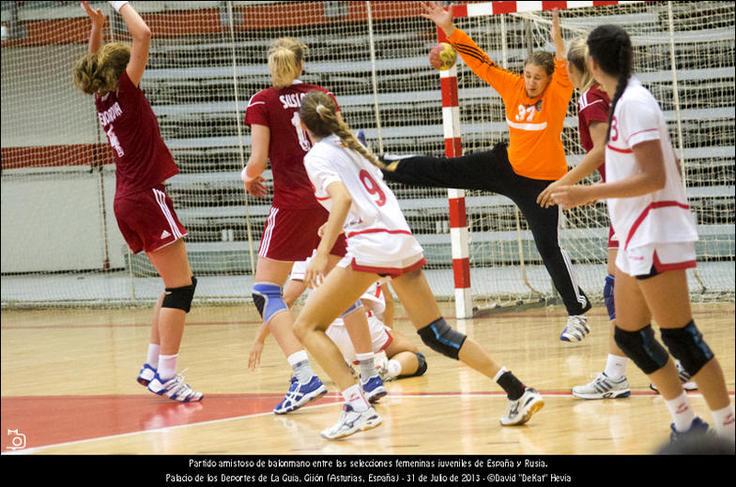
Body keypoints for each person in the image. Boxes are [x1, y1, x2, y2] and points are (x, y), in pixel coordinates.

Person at [292, 90, 544, 440]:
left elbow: (344, 198)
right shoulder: (353, 145)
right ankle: (518, 390)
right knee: (436, 334)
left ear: (303, 125)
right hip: (400, 240)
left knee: (306, 326)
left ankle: (356, 407)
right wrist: (337, 223)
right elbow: (359, 198)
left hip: (373, 245)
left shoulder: (317, 155)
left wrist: (321, 252)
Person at [551, 24, 734, 442]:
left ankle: (728, 429)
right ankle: (686, 423)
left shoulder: (633, 103)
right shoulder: (622, 100)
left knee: (681, 337)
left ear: (593, 63)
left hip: (654, 232)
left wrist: (587, 193)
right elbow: (667, 165)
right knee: (629, 336)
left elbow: (654, 174)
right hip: (637, 230)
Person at [381, 3, 591, 341]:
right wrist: (450, 29)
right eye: (528, 75)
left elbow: (563, 61)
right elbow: (480, 60)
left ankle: (577, 314)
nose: (532, 81)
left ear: (550, 79)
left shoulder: (558, 91)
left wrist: (556, 37)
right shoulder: (511, 86)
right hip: (505, 166)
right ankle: (385, 166)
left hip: (541, 184)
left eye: (538, 77)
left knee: (548, 247)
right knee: (447, 169)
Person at [538, 39, 697, 400]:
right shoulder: (622, 95)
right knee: (632, 288)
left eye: (566, 65)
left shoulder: (593, 99)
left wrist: (567, 184)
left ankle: (647, 370)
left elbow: (599, 151)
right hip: (637, 199)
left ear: (584, 68)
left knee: (625, 289)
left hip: (631, 199)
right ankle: (647, 370)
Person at [242, 37, 385, 414]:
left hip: (291, 202)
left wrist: (247, 176)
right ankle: (369, 374)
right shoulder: (321, 95)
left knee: (265, 290)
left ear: (272, 66)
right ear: (301, 66)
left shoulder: (262, 101)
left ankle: (303, 374)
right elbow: (344, 143)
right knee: (340, 287)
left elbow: (257, 161)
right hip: (329, 198)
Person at [73, 1, 201, 402]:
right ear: (124, 70)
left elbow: (96, 61)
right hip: (146, 195)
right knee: (182, 287)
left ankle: (152, 365)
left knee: (174, 284)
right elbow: (143, 34)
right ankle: (167, 373)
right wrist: (118, 4)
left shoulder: (102, 99)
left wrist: (95, 26)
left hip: (128, 198)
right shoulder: (125, 93)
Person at [248, 262, 428, 382]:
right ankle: (386, 369)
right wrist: (387, 329)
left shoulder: (308, 252)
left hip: (322, 334)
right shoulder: (364, 245)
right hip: (362, 328)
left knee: (308, 326)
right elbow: (388, 302)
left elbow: (284, 300)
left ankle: (347, 368)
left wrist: (260, 338)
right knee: (416, 356)